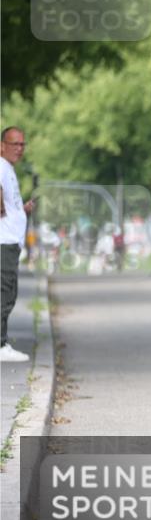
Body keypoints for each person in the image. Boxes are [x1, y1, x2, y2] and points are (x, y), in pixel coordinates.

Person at [1, 127, 35, 362]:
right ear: (2, 145)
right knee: (4, 293)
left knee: (9, 293)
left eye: (22, 144)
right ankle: (0, 345)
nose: (19, 149)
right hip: (3, 242)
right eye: (14, 144)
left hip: (10, 241)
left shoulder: (8, 169)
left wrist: (21, 211)